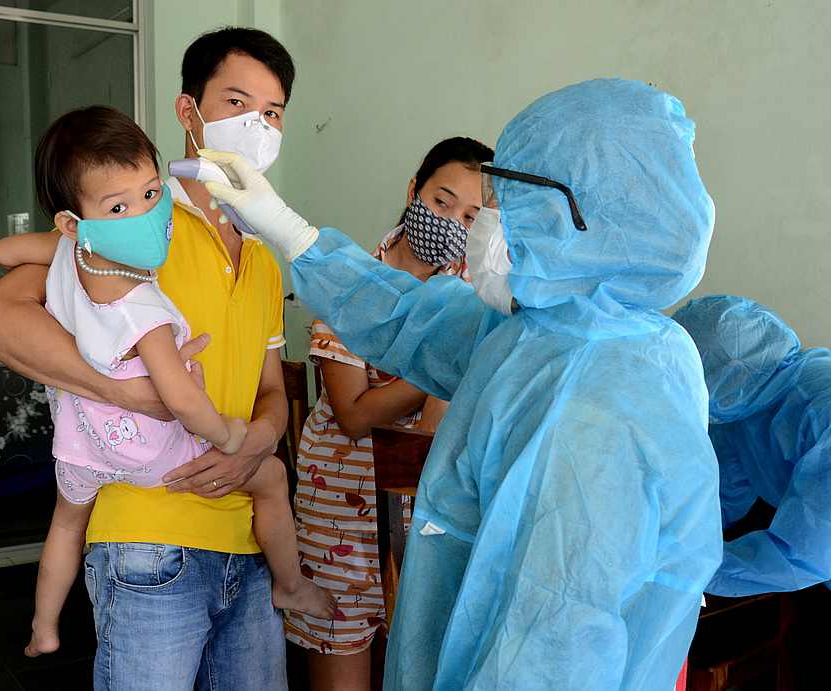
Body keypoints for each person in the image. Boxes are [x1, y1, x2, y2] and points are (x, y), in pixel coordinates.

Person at [201, 78, 723, 689]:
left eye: (504, 203)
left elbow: (558, 639)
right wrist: (293, 233)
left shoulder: (602, 395)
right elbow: (412, 319)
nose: (483, 223)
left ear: (577, 216)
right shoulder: (547, 329)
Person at [0, 28, 300, 690]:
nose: (256, 126)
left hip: (249, 545)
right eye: (236, 102)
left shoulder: (261, 257)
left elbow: (273, 391)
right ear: (188, 111)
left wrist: (257, 442)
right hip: (149, 540)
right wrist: (126, 394)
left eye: (272, 112)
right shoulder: (132, 226)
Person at [285, 136, 492, 690]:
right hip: (340, 503)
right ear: (413, 191)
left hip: (423, 505)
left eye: (472, 215)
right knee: (341, 651)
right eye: (442, 201)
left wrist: (455, 358)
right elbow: (353, 414)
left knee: (423, 660)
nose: (452, 222)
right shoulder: (352, 282)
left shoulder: (475, 298)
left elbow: (434, 432)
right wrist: (448, 361)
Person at [673, 295, 831, 597]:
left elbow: (807, 553)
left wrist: (691, 568)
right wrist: (675, 535)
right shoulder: (747, 407)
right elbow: (721, 497)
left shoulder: (819, 410)